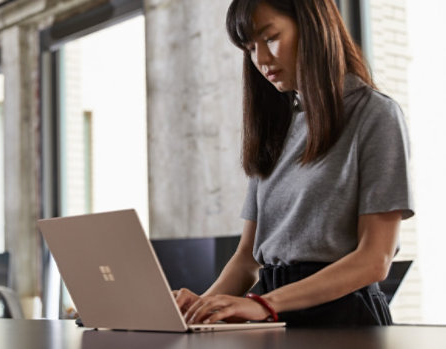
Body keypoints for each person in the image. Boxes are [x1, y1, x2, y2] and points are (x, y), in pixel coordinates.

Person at [173, 0, 414, 327]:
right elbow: (247, 259)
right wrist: (198, 312)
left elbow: (375, 259)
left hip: (344, 321)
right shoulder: (276, 126)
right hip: (275, 315)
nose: (261, 59)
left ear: (313, 27)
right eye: (249, 48)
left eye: (270, 38)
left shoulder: (375, 115)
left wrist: (265, 304)